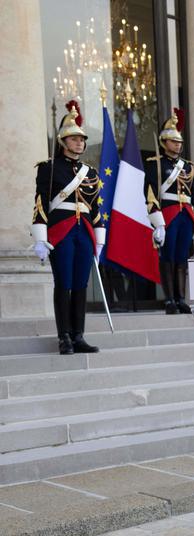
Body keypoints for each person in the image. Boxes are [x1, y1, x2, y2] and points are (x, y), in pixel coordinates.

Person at [32, 101, 102, 355]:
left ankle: (78, 335)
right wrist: (40, 236)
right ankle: (64, 337)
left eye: (82, 139)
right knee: (64, 283)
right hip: (60, 231)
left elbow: (95, 209)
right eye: (74, 139)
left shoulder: (91, 172)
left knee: (81, 284)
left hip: (83, 232)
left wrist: (100, 238)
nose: (79, 143)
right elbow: (40, 204)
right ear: (63, 141)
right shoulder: (48, 168)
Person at [145, 108, 194, 314]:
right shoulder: (155, 164)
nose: (178, 144)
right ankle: (169, 299)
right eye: (174, 141)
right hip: (169, 213)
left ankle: (181, 298)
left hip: (186, 215)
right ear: (164, 142)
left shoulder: (188, 166)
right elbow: (151, 194)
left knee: (182, 257)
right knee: (168, 257)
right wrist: (159, 223)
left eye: (179, 142)